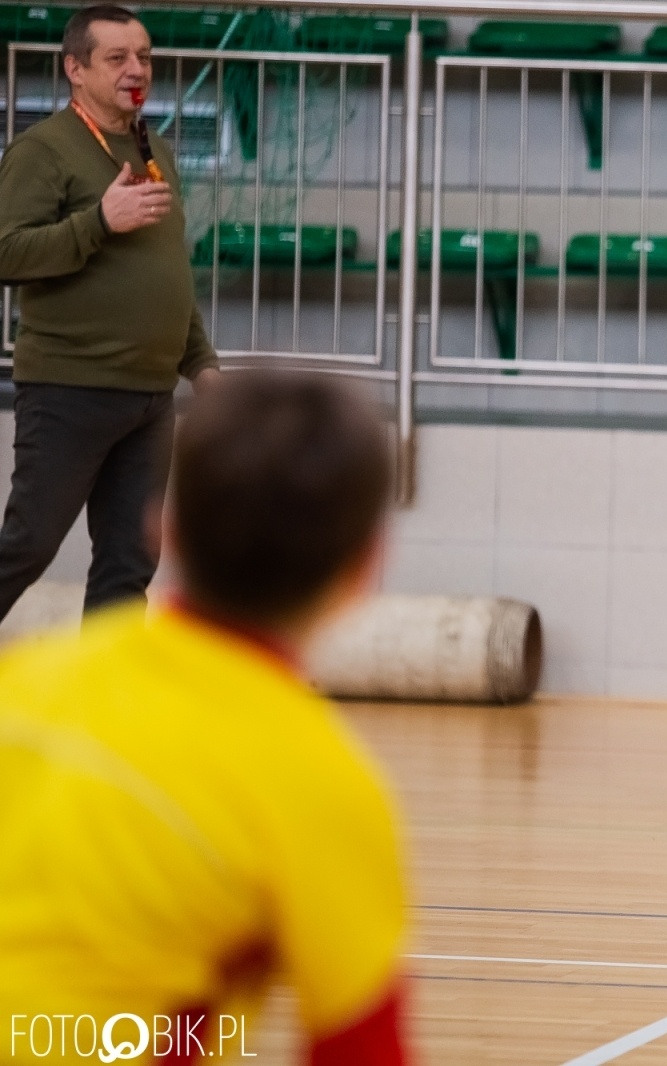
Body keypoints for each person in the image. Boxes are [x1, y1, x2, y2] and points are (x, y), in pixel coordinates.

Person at [0, 372, 409, 1064]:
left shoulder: (24, 679)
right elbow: (362, 1050)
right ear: (366, 567)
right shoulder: (323, 782)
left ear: (168, 530)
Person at [0, 4, 220, 625]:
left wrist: (201, 365)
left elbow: (166, 270)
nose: (136, 69)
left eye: (144, 56)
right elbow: (6, 251)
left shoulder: (158, 150)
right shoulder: (42, 151)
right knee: (27, 546)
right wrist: (98, 221)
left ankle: (108, 712)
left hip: (151, 400)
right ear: (75, 68)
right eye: (117, 57)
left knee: (129, 564)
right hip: (71, 388)